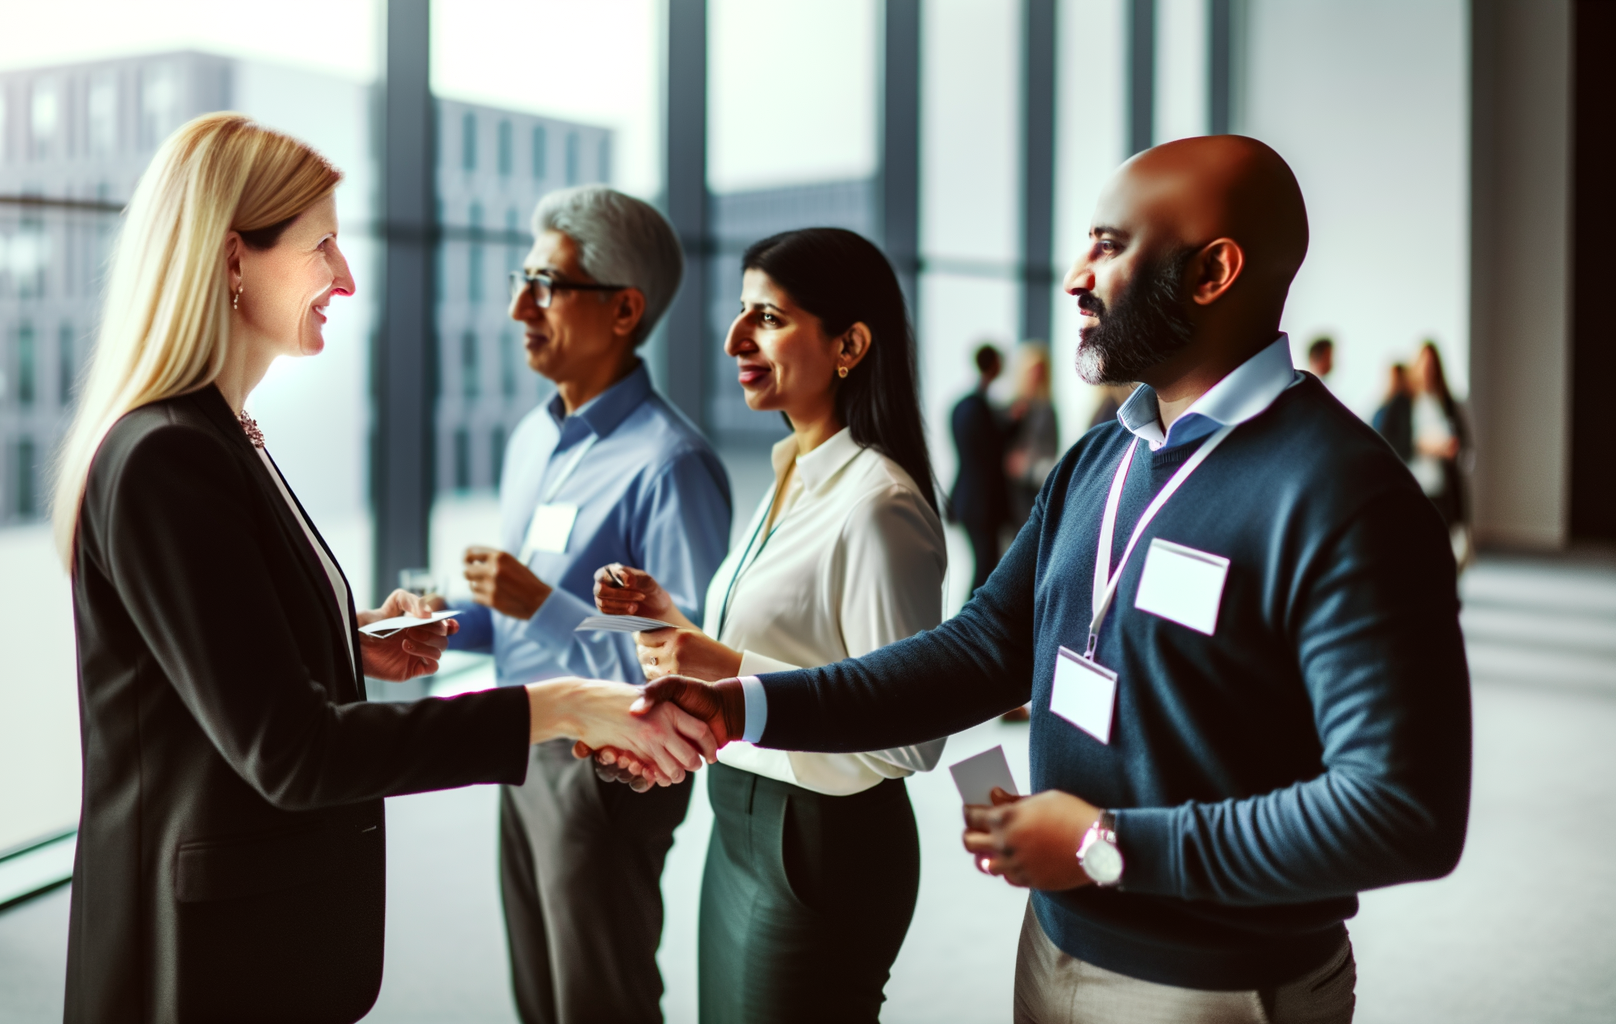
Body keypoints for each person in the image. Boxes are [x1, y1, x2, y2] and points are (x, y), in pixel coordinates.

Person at [622, 135, 1472, 1024]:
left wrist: (1108, 845)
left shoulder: (1344, 491)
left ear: (1214, 270)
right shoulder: (1102, 456)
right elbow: (982, 647)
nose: (1075, 275)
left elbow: (1400, 812)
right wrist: (750, 704)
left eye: (1109, 245)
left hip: (1217, 986)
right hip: (1056, 941)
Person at [49, 115, 713, 1024]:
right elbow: (289, 749)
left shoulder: (221, 438)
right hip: (197, 956)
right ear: (234, 258)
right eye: (324, 245)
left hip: (561, 788)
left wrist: (351, 642)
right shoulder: (173, 455)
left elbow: (229, 655)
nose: (347, 278)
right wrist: (554, 706)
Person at [589, 228, 947, 1023]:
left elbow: (913, 738)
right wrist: (672, 621)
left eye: (768, 318)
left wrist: (719, 660)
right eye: (740, 313)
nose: (733, 340)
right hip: (743, 824)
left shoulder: (879, 505)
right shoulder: (792, 472)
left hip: (821, 847)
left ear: (849, 343)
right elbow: (791, 650)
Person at [430, 184, 732, 1024]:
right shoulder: (534, 437)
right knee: (540, 995)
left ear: (625, 308)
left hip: (606, 769)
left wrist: (542, 603)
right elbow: (520, 618)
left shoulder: (670, 466)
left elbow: (686, 660)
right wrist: (435, 624)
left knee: (600, 999)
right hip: (522, 737)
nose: (518, 305)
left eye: (547, 284)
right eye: (524, 279)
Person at [950, 343, 1015, 593]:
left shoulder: (961, 405)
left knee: (983, 565)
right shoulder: (979, 408)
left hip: (966, 498)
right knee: (985, 568)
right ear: (994, 365)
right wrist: (1014, 425)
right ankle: (970, 627)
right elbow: (992, 449)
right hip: (982, 503)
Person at [1410, 340, 1470, 544]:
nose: (1428, 371)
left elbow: (1463, 440)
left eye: (1432, 366)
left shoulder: (1447, 402)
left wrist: (1452, 447)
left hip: (1442, 486)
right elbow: (1393, 440)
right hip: (1414, 484)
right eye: (1424, 365)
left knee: (1442, 544)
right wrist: (1424, 445)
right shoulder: (1406, 402)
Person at [1005, 343, 1059, 531]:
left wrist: (1027, 462)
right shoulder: (1013, 406)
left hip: (1034, 478)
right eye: (1032, 370)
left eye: (1040, 371)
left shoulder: (1047, 408)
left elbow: (1051, 446)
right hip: (1010, 481)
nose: (1036, 376)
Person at [1371, 362, 1414, 461]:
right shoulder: (1383, 405)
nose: (1393, 381)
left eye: (1397, 378)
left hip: (1394, 458)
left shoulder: (1403, 403)